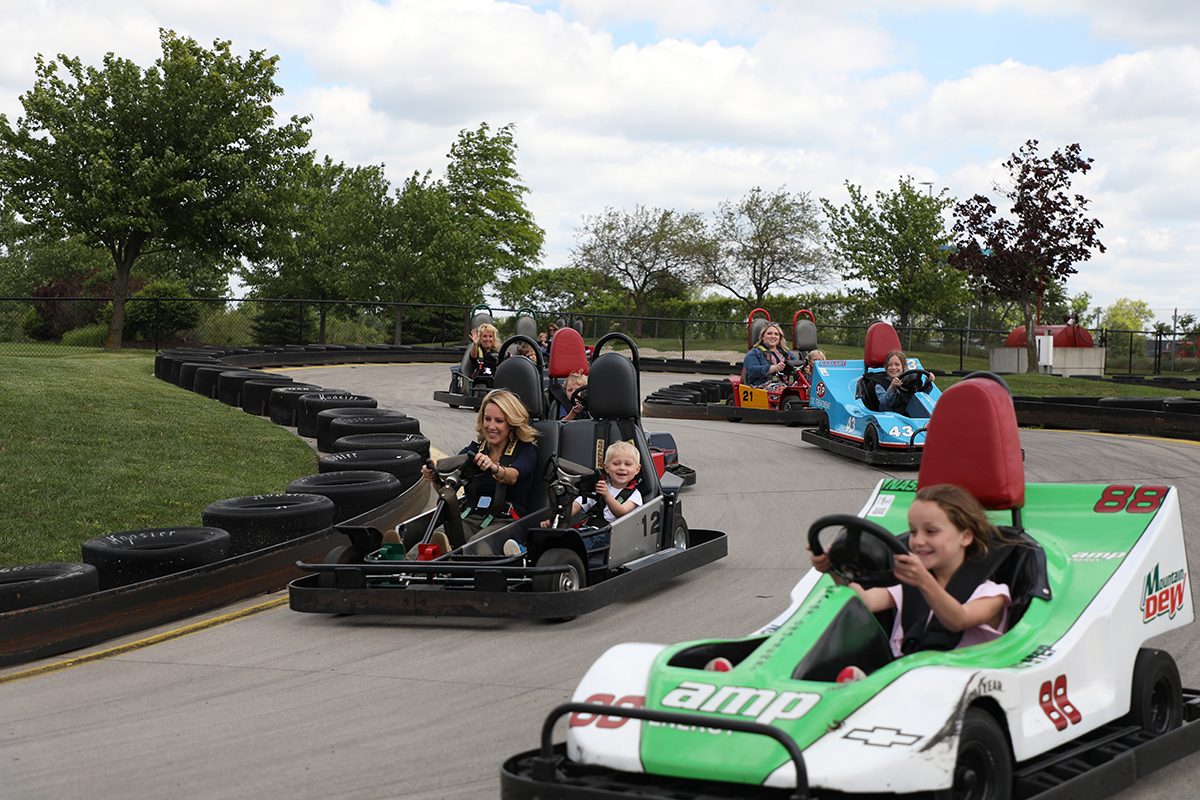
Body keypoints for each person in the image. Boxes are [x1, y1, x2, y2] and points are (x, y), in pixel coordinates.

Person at [809, 484, 1010, 666]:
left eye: (931, 531)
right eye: (913, 532)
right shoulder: (909, 585)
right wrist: (832, 569)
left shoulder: (992, 594)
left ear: (965, 536)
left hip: (961, 680)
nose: (918, 541)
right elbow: (865, 601)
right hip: (906, 675)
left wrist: (923, 581)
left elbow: (958, 620)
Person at [420, 389, 540, 548]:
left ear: (511, 423)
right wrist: (435, 477)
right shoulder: (474, 450)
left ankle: (451, 562)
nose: (491, 426)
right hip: (469, 518)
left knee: (476, 547)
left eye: (499, 421)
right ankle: (402, 559)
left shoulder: (524, 451)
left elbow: (512, 476)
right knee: (436, 538)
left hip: (505, 521)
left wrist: (493, 468)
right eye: (487, 419)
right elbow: (448, 488)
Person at [536, 441, 642, 556]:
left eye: (628, 464)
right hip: (588, 529)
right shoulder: (599, 487)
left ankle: (563, 556)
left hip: (612, 535)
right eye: (616, 463)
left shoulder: (635, 495)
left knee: (582, 541)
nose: (622, 468)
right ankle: (523, 550)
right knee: (563, 536)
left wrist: (606, 495)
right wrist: (555, 520)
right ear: (606, 467)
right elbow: (576, 505)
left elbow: (621, 512)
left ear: (637, 469)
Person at [742, 322, 795, 388]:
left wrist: (804, 370)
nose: (773, 336)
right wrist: (775, 368)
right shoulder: (754, 352)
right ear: (762, 336)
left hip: (787, 386)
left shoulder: (786, 353)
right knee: (782, 390)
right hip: (762, 387)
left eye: (776, 334)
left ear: (780, 337)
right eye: (769, 334)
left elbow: (796, 366)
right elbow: (751, 370)